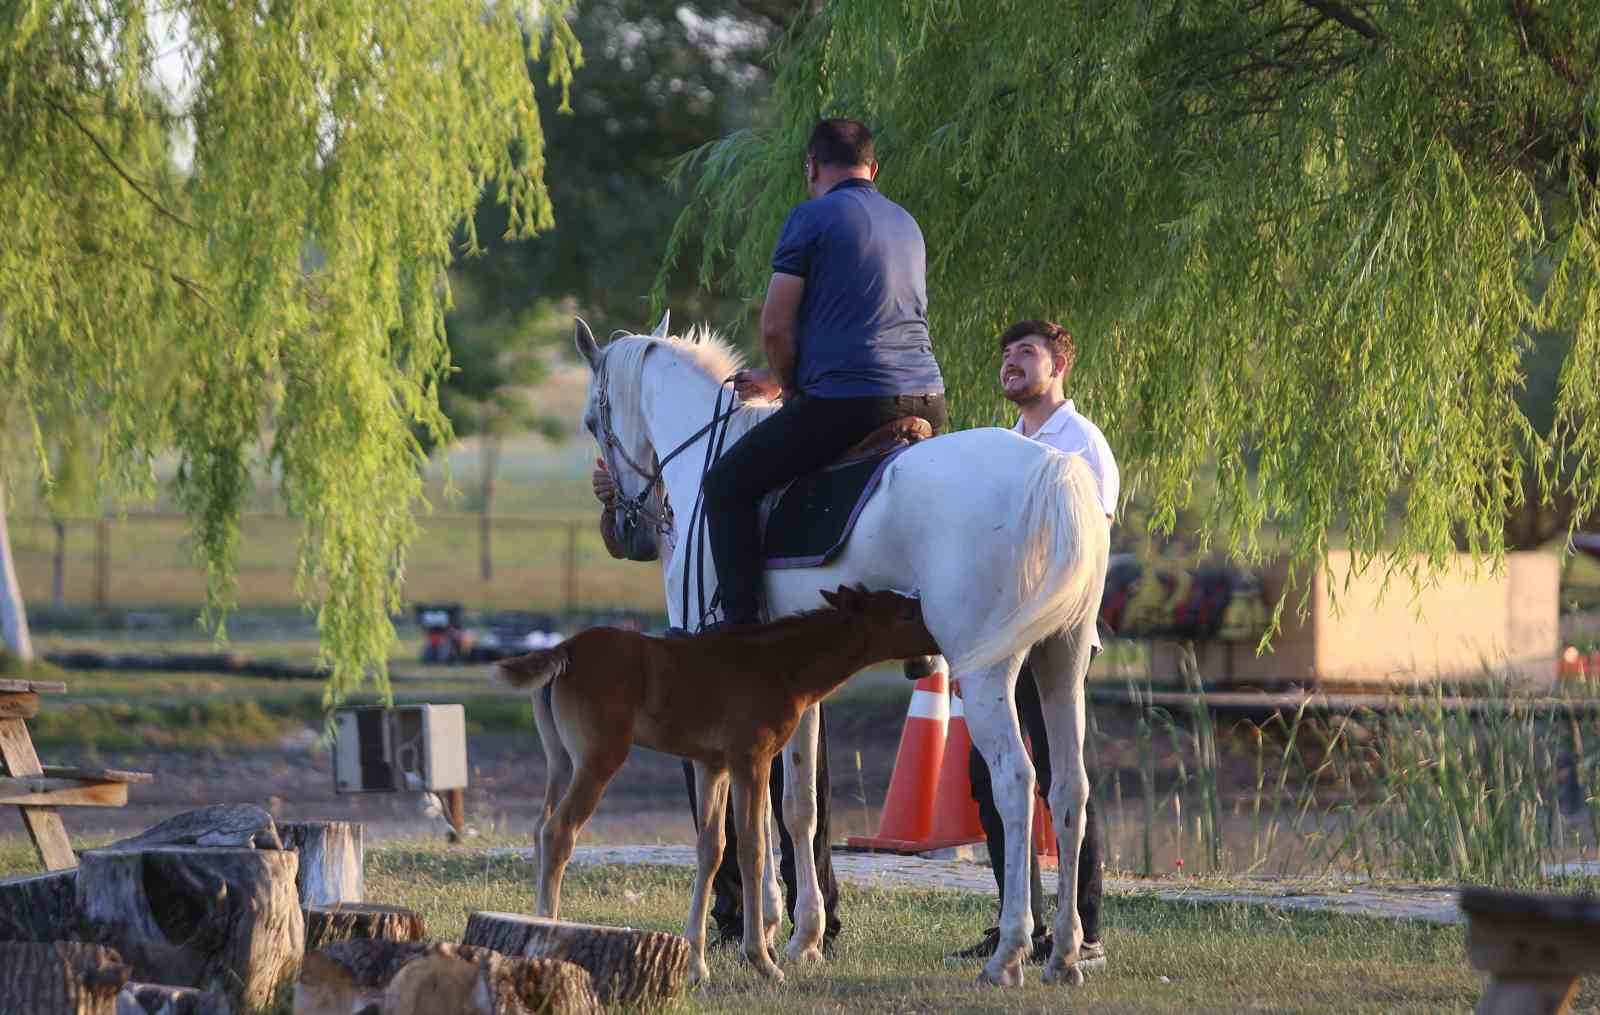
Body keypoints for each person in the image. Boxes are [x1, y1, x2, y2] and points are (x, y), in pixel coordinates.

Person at [702, 117, 947, 628]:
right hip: (927, 395)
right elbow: (864, 320)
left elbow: (775, 326)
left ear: (810, 166)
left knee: (726, 486)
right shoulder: (907, 222)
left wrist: (789, 390)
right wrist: (777, 377)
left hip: (852, 402)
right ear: (874, 169)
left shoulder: (811, 218)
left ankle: (741, 632)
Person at [948, 319, 1117, 969]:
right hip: (1001, 632)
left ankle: (1087, 929)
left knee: (1061, 771)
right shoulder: (1008, 444)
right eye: (1007, 354)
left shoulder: (1081, 445)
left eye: (1027, 353)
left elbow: (1088, 547)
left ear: (1060, 366)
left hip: (1054, 634)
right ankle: (1018, 917)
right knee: (987, 771)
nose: (1011, 362)